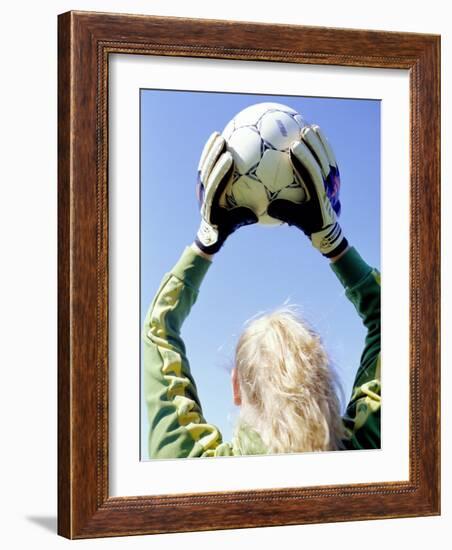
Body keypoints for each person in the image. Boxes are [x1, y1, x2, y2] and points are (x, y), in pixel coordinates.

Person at [142, 125, 380, 459]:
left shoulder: (190, 471)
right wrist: (332, 241)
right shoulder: (372, 451)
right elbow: (407, 325)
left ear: (236, 386)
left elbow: (157, 331)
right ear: (324, 379)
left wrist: (205, 241)